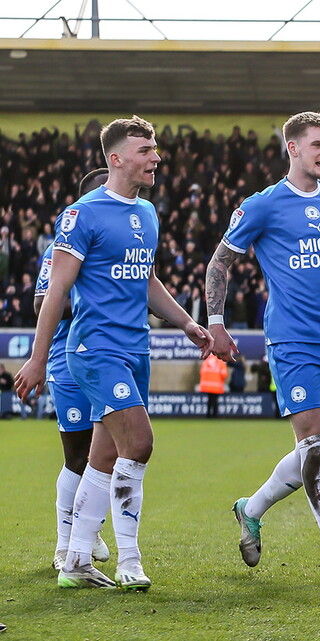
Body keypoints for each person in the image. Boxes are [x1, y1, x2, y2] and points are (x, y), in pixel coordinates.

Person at [16, 116, 214, 590]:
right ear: (116, 158)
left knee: (102, 459)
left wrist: (186, 322)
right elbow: (56, 290)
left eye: (155, 149)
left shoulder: (147, 213)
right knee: (139, 444)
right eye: (145, 150)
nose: (156, 158)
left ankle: (76, 561)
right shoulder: (81, 214)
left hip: (134, 348)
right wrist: (38, 358)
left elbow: (146, 279)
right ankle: (130, 560)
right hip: (95, 348)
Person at [205, 111, 320, 586]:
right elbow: (218, 264)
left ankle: (251, 508)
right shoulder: (262, 205)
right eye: (317, 144)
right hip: (291, 340)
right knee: (317, 449)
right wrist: (216, 323)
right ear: (293, 148)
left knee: (314, 451)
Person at [34, 168, 113, 572]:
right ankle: (65, 544)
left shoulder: (120, 241)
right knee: (78, 455)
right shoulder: (61, 247)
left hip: (112, 356)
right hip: (69, 358)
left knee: (112, 453)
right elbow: (41, 302)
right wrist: (93, 293)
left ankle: (87, 527)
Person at [199, 353, 228, 417]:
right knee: (215, 400)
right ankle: (215, 415)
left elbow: (202, 372)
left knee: (209, 400)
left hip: (207, 385)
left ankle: (208, 414)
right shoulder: (220, 361)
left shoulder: (206, 360)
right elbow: (224, 374)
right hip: (216, 385)